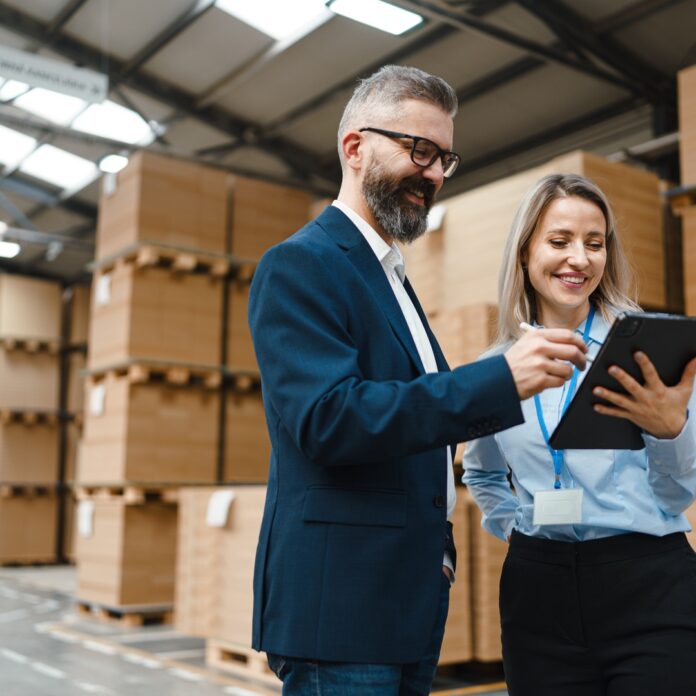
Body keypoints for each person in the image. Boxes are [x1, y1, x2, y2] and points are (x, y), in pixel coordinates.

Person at [248, 66, 588, 696]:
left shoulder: (392, 278)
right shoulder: (301, 265)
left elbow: (417, 422)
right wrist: (496, 381)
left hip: (404, 602)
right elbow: (329, 419)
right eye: (418, 150)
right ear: (355, 147)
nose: (433, 173)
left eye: (444, 158)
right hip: (340, 611)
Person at [463, 172, 696, 696]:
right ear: (525, 253)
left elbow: (678, 492)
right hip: (537, 592)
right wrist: (513, 527)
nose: (580, 259)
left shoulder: (646, 347)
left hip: (648, 579)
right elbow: (479, 470)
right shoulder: (495, 367)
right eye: (560, 241)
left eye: (595, 244)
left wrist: (671, 432)